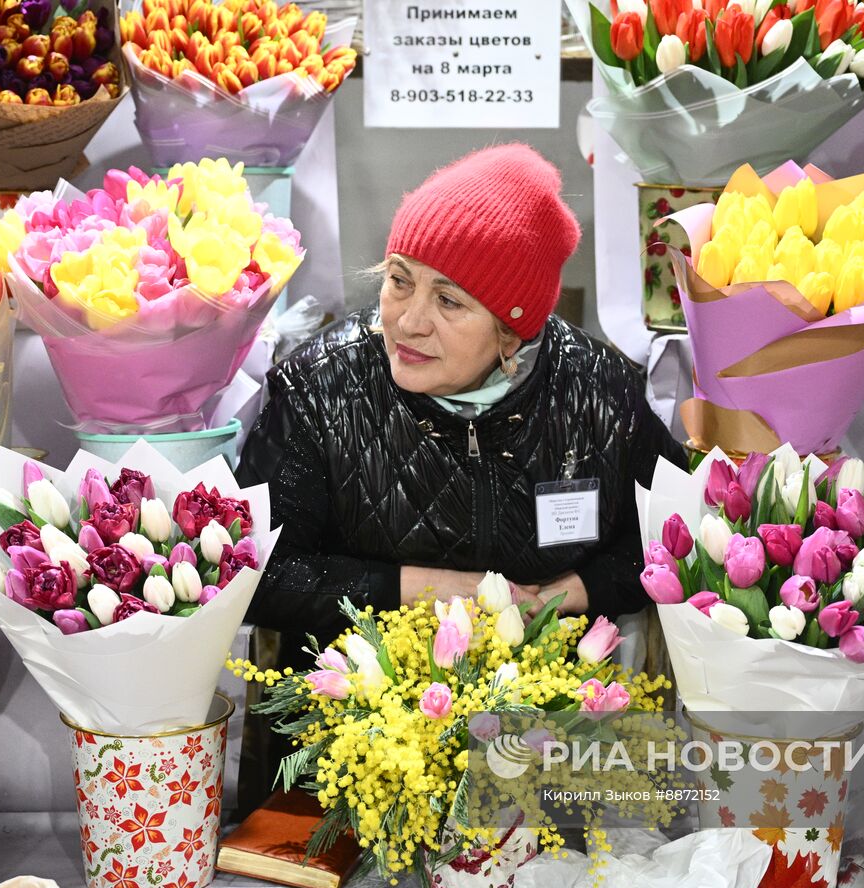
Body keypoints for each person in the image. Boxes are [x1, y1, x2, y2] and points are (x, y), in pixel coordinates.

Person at [236, 143, 687, 667]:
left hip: (548, 709)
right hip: (353, 715)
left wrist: (562, 595)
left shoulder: (599, 391)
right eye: (399, 281)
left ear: (512, 334)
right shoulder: (322, 385)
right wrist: (436, 589)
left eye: (448, 301)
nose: (408, 322)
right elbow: (253, 576)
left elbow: (672, 546)